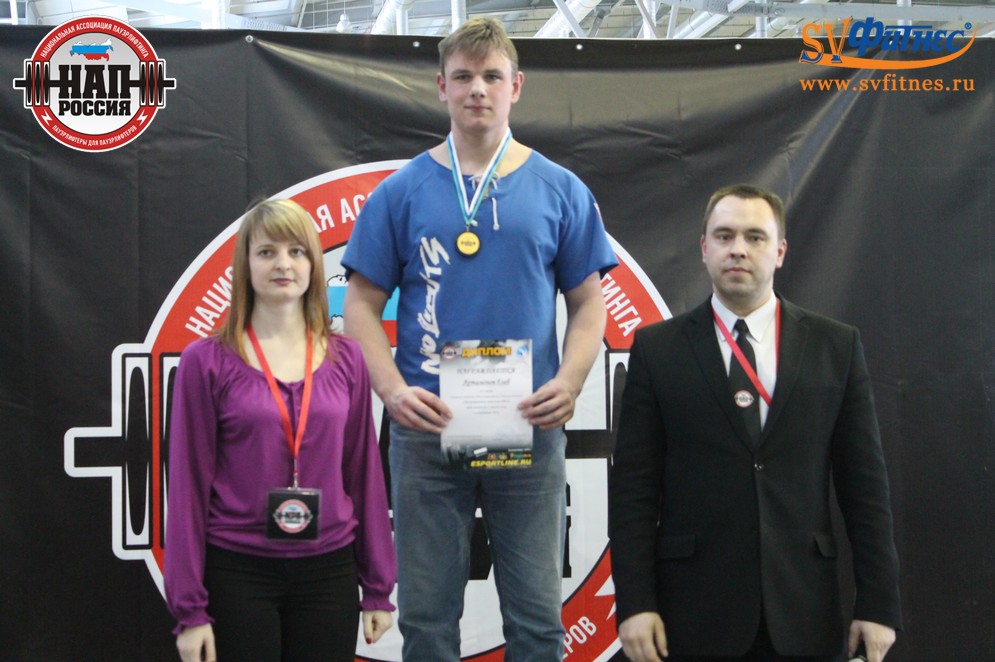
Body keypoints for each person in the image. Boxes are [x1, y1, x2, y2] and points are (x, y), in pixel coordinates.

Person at [341, 17, 618, 661]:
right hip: (426, 428)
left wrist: (570, 381)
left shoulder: (560, 190)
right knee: (427, 621)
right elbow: (359, 305)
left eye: (492, 76)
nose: (477, 90)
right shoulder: (401, 192)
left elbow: (587, 304)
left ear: (516, 86)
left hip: (528, 425)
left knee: (538, 623)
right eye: (463, 76)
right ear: (441, 86)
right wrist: (392, 391)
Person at [608, 184, 902, 662]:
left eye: (755, 237)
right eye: (724, 236)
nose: (738, 249)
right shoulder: (657, 350)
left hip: (802, 608)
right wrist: (635, 603)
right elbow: (633, 490)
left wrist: (879, 604)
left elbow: (865, 488)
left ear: (780, 251)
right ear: (704, 249)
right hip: (692, 611)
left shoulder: (835, 346)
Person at [164, 199, 396, 662]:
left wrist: (376, 587)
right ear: (245, 265)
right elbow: (187, 486)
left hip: (328, 572)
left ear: (314, 263)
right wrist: (189, 611)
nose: (283, 264)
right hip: (238, 572)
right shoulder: (205, 362)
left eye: (297, 251)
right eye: (267, 252)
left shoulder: (347, 358)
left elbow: (363, 474)